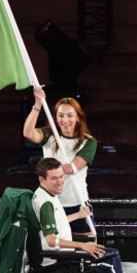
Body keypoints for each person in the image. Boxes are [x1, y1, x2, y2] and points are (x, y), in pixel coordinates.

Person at [33, 157, 137, 273]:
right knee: (108, 260)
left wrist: (78, 215)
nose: (60, 182)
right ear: (42, 179)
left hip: (61, 255)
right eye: (54, 178)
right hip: (57, 261)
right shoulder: (46, 203)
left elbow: (55, 223)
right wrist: (82, 245)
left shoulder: (46, 195)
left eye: (61, 176)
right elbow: (50, 240)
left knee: (110, 253)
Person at [23, 87, 97, 236]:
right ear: (55, 118)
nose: (65, 120)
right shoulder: (49, 135)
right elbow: (28, 133)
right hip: (51, 202)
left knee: (89, 244)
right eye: (60, 115)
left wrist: (47, 171)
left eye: (70, 115)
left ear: (77, 117)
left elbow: (71, 168)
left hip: (77, 203)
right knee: (53, 246)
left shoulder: (88, 142)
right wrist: (37, 105)